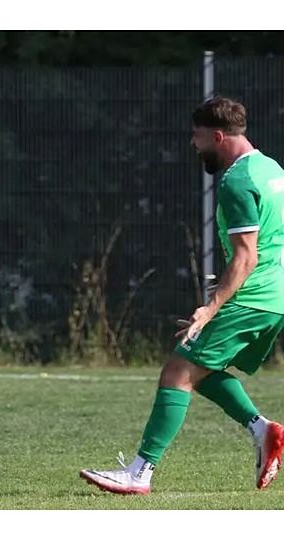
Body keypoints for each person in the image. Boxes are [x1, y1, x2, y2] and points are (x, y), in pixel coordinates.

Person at [80, 96, 284, 495]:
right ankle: (264, 431)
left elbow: (245, 256)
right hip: (272, 295)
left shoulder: (238, 181)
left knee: (177, 372)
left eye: (198, 137)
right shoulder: (272, 169)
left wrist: (211, 307)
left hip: (252, 295)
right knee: (197, 369)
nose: (194, 145)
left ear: (219, 136)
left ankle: (140, 472)